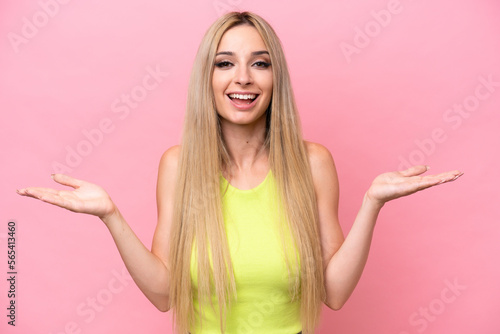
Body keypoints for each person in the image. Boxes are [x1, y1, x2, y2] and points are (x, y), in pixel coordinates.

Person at [16, 11, 463, 334]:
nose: (243, 78)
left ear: (275, 78)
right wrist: (110, 214)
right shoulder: (178, 166)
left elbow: (335, 293)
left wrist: (372, 204)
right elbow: (164, 294)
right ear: (207, 78)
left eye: (260, 63)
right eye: (225, 62)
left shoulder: (313, 164)